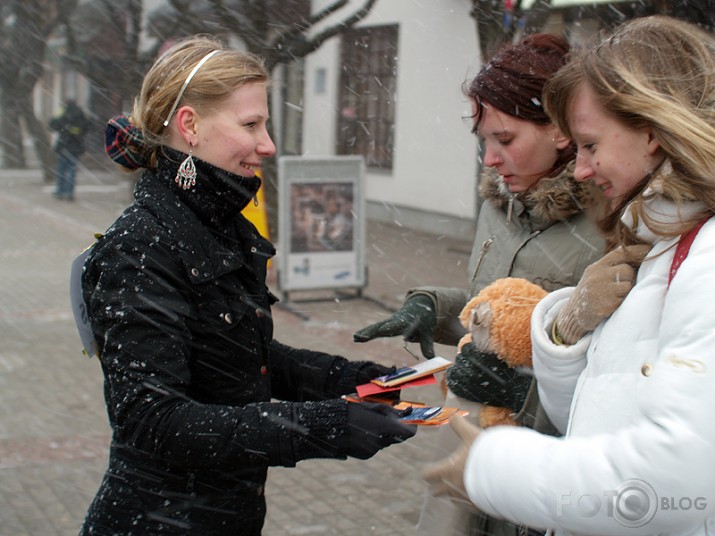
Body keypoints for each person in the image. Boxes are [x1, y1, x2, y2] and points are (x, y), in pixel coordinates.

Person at [78, 35, 415, 535]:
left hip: (225, 517)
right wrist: (326, 426)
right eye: (251, 124)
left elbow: (241, 358)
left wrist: (370, 382)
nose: (268, 145)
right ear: (189, 125)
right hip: (158, 521)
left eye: (266, 124)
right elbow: (154, 420)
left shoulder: (216, 223)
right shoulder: (140, 246)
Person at [424, 15, 715, 535]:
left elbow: (673, 485)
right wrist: (563, 332)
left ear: (651, 129)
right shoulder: (655, 236)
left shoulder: (696, 253)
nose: (581, 168)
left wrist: (497, 464)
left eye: (591, 145)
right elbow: (602, 406)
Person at [353, 34, 605, 536]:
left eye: (505, 140)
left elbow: (612, 365)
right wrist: (433, 305)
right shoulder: (500, 206)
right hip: (474, 444)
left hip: (547, 467)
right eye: (483, 141)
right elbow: (497, 314)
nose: (489, 159)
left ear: (560, 131)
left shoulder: (608, 222)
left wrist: (524, 392)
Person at [49, 99, 90, 201]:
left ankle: (60, 191)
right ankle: (69, 192)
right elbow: (87, 127)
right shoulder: (80, 113)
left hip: (64, 144)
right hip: (76, 146)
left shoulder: (63, 111)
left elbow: (52, 124)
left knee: (61, 169)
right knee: (72, 169)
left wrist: (65, 128)